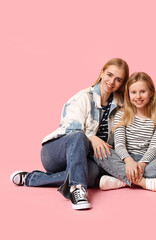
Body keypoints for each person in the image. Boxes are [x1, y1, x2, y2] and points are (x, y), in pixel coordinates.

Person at [10, 58, 130, 210]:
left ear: (122, 83)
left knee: (93, 173)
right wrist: (92, 138)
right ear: (101, 73)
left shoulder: (120, 105)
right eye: (109, 75)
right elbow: (72, 133)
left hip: (82, 159)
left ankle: (31, 178)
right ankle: (77, 189)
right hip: (55, 153)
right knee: (79, 137)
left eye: (118, 79)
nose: (112, 81)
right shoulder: (83, 98)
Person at [93, 72, 156, 192]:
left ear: (151, 93)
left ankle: (121, 181)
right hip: (124, 160)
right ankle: (144, 183)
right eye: (133, 92)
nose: (138, 96)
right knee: (99, 152)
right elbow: (119, 144)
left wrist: (142, 164)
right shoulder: (121, 115)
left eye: (142, 92)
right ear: (128, 94)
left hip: (147, 162)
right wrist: (128, 161)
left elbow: (154, 147)